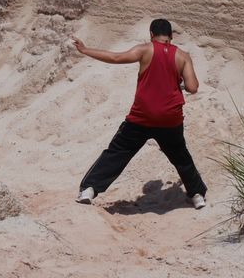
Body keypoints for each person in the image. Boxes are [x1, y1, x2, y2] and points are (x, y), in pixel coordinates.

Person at [72, 19, 207, 209]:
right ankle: (197, 195)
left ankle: (89, 189)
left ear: (151, 34)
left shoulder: (145, 49)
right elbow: (193, 87)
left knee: (117, 152)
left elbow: (116, 58)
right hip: (170, 118)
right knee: (181, 157)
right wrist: (179, 85)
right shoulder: (183, 56)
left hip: (142, 117)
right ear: (171, 36)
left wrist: (85, 50)